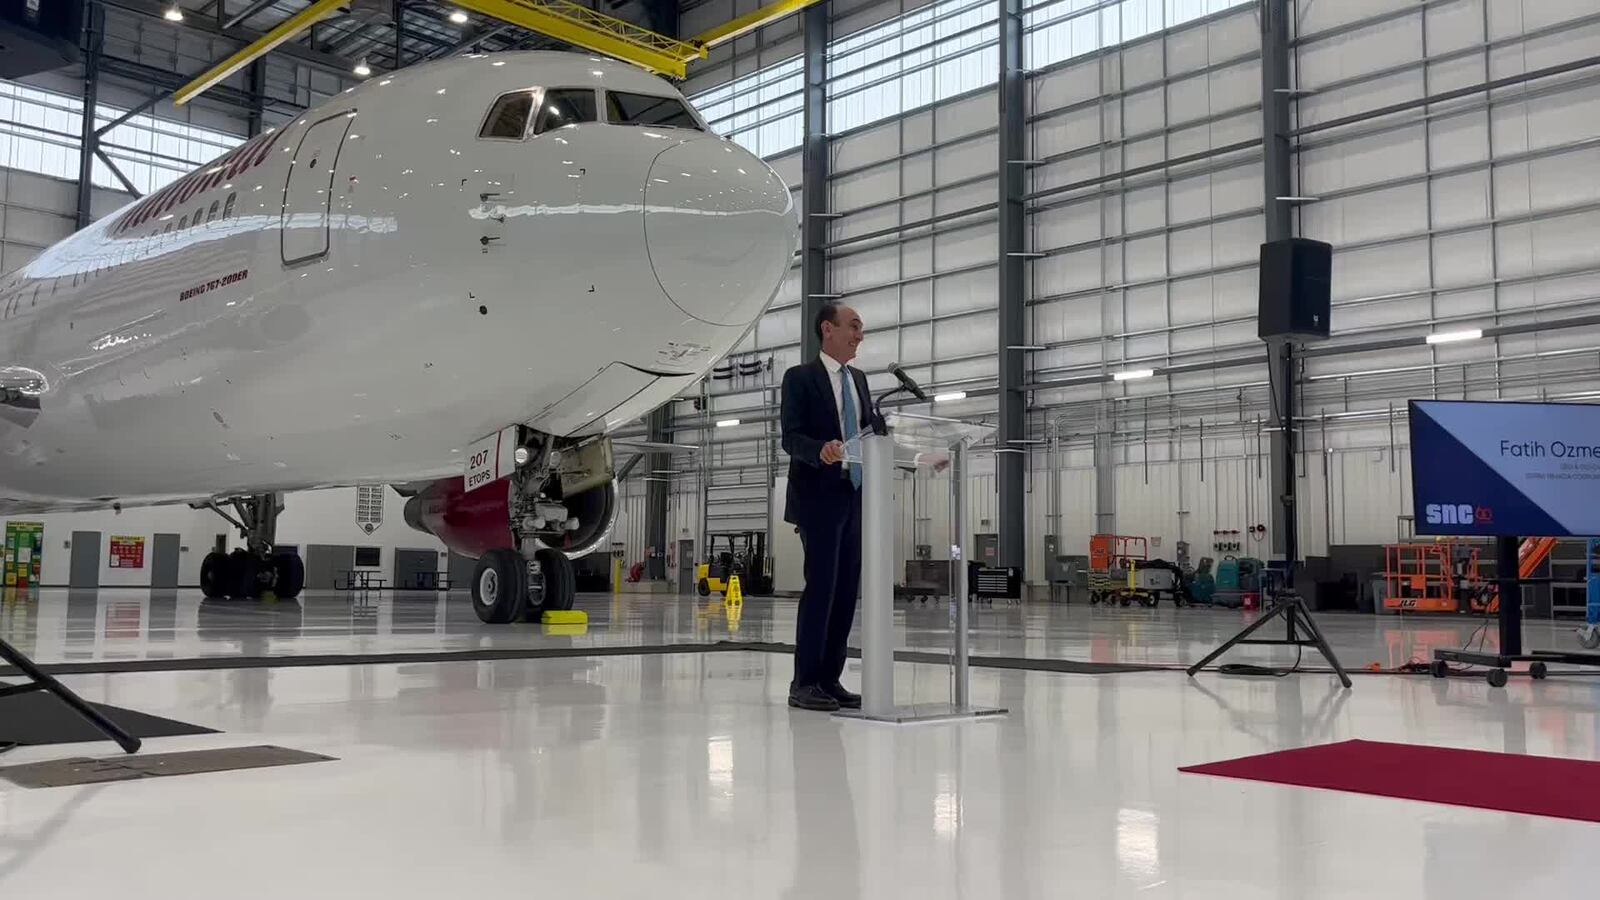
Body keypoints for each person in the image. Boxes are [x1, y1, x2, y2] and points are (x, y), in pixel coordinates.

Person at [781, 303, 870, 711]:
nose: (859, 335)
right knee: (823, 587)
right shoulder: (799, 378)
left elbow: (873, 428)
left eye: (861, 329)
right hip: (818, 497)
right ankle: (805, 682)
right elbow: (791, 438)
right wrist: (821, 450)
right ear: (827, 329)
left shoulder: (860, 380)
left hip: (854, 495)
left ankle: (830, 680)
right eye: (853, 327)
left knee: (847, 590)